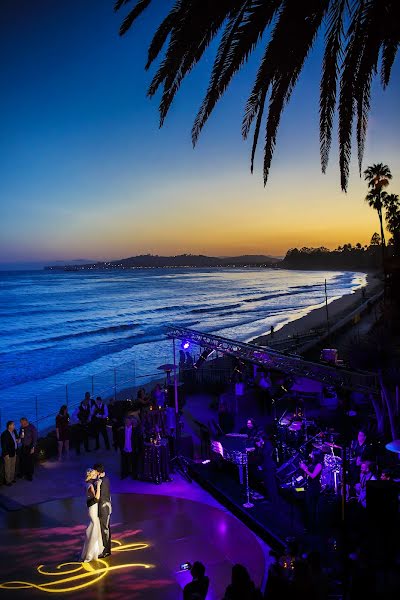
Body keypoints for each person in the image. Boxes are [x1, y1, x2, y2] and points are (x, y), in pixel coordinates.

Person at [80, 468, 104, 562]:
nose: (95, 475)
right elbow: (96, 498)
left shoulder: (89, 483)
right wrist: (98, 485)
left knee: (95, 526)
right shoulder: (90, 485)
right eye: (94, 474)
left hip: (93, 507)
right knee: (94, 527)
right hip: (93, 508)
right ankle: (90, 553)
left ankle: (95, 550)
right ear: (90, 476)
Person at [300, 449, 323, 530]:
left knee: (312, 507)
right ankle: (308, 525)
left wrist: (305, 469)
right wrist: (304, 468)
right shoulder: (311, 463)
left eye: (312, 453)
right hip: (309, 486)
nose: (310, 454)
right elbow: (306, 475)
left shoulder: (319, 465)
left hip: (314, 488)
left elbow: (313, 476)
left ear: (316, 455)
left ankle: (312, 527)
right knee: (308, 506)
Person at [93, 463, 112, 558]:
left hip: (104, 508)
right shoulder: (106, 479)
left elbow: (100, 497)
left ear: (98, 472)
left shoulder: (101, 482)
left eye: (95, 472)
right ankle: (107, 548)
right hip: (107, 507)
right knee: (106, 528)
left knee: (105, 529)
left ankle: (106, 550)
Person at [1, 420, 19, 486]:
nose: (14, 426)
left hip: (14, 452)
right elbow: (3, 445)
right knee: (7, 467)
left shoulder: (14, 431)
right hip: (8, 454)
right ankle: (8, 481)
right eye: (13, 425)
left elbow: (16, 439)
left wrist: (18, 440)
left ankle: (11, 479)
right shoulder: (4, 434)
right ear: (9, 426)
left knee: (12, 466)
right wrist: (6, 454)